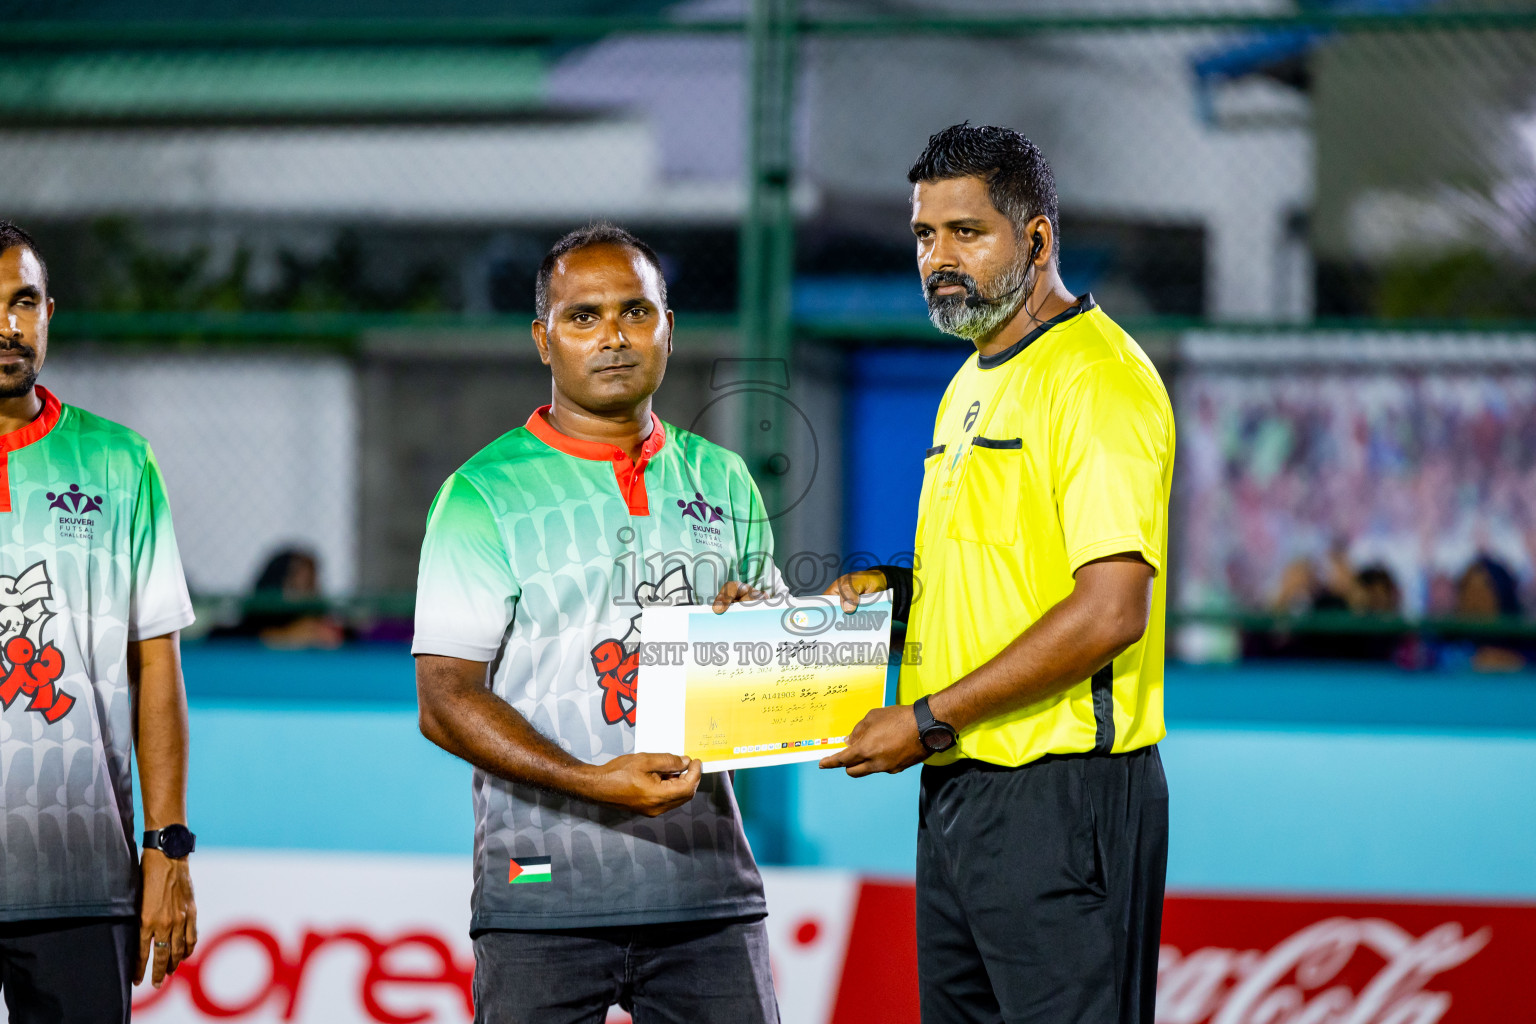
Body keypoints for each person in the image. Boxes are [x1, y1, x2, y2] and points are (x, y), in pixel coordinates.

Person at [760, 123, 1173, 1023]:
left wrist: (926, 718)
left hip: (1062, 799)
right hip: (960, 786)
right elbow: (999, 573)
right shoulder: (971, 379)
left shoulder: (1097, 381)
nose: (937, 259)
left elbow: (1110, 612)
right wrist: (888, 599)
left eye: (965, 233)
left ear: (1036, 240)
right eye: (923, 236)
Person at [412, 223, 780, 1023]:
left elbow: (768, 689)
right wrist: (590, 782)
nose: (613, 336)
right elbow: (443, 700)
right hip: (540, 890)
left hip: (706, 888)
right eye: (583, 317)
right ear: (544, 341)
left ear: (669, 329)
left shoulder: (722, 479)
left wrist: (770, 643)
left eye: (635, 311)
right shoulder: (483, 494)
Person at [0, 222, 198, 1020]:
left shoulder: (120, 464)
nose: (7, 327)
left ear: (51, 312)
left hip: (79, 873)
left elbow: (157, 665)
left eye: (23, 302)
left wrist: (168, 847)